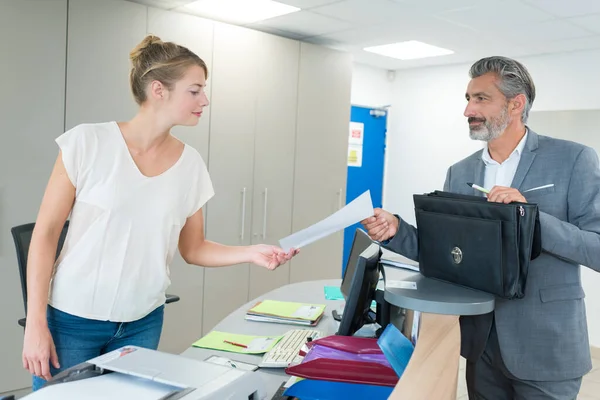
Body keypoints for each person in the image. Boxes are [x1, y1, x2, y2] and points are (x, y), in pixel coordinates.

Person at [22, 34, 298, 391]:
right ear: (158, 90)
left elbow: (193, 248)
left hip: (143, 320)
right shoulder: (86, 144)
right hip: (72, 320)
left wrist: (252, 253)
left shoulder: (191, 165)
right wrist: (35, 323)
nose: (205, 100)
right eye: (195, 90)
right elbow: (44, 235)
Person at [362, 56, 600, 399]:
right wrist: (396, 230)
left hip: (546, 343)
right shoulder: (461, 173)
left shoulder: (573, 159)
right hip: (481, 345)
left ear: (516, 104)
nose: (468, 110)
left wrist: (529, 219)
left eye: (481, 99)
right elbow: (445, 253)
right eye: (468, 99)